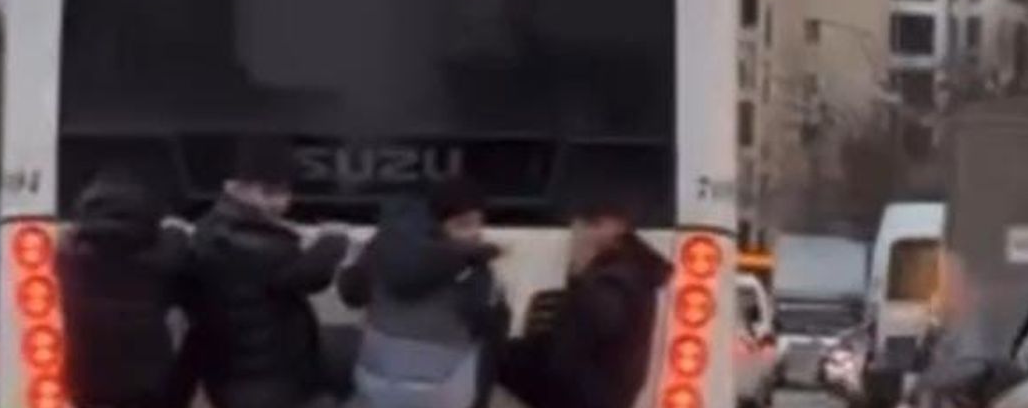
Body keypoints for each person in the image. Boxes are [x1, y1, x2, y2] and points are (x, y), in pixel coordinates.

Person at [190, 140, 351, 408]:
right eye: (270, 192)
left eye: (284, 191)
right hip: (271, 383)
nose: (282, 202)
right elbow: (312, 277)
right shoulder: (262, 247)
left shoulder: (208, 229)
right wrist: (333, 240)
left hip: (228, 375)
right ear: (236, 187)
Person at [338, 178, 509, 408]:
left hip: (374, 385)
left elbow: (351, 294)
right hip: (441, 393)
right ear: (438, 223)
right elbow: (490, 333)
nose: (476, 233)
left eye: (479, 223)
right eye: (464, 224)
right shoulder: (471, 268)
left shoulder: (380, 249)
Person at [501, 192, 672, 408]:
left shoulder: (606, 287)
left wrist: (500, 357)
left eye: (580, 230)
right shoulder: (633, 276)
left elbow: (564, 365)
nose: (573, 243)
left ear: (607, 230)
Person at [56, 171, 198, 408]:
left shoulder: (71, 259)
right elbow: (180, 237)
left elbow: (63, 240)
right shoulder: (161, 258)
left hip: (85, 382)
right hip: (149, 384)